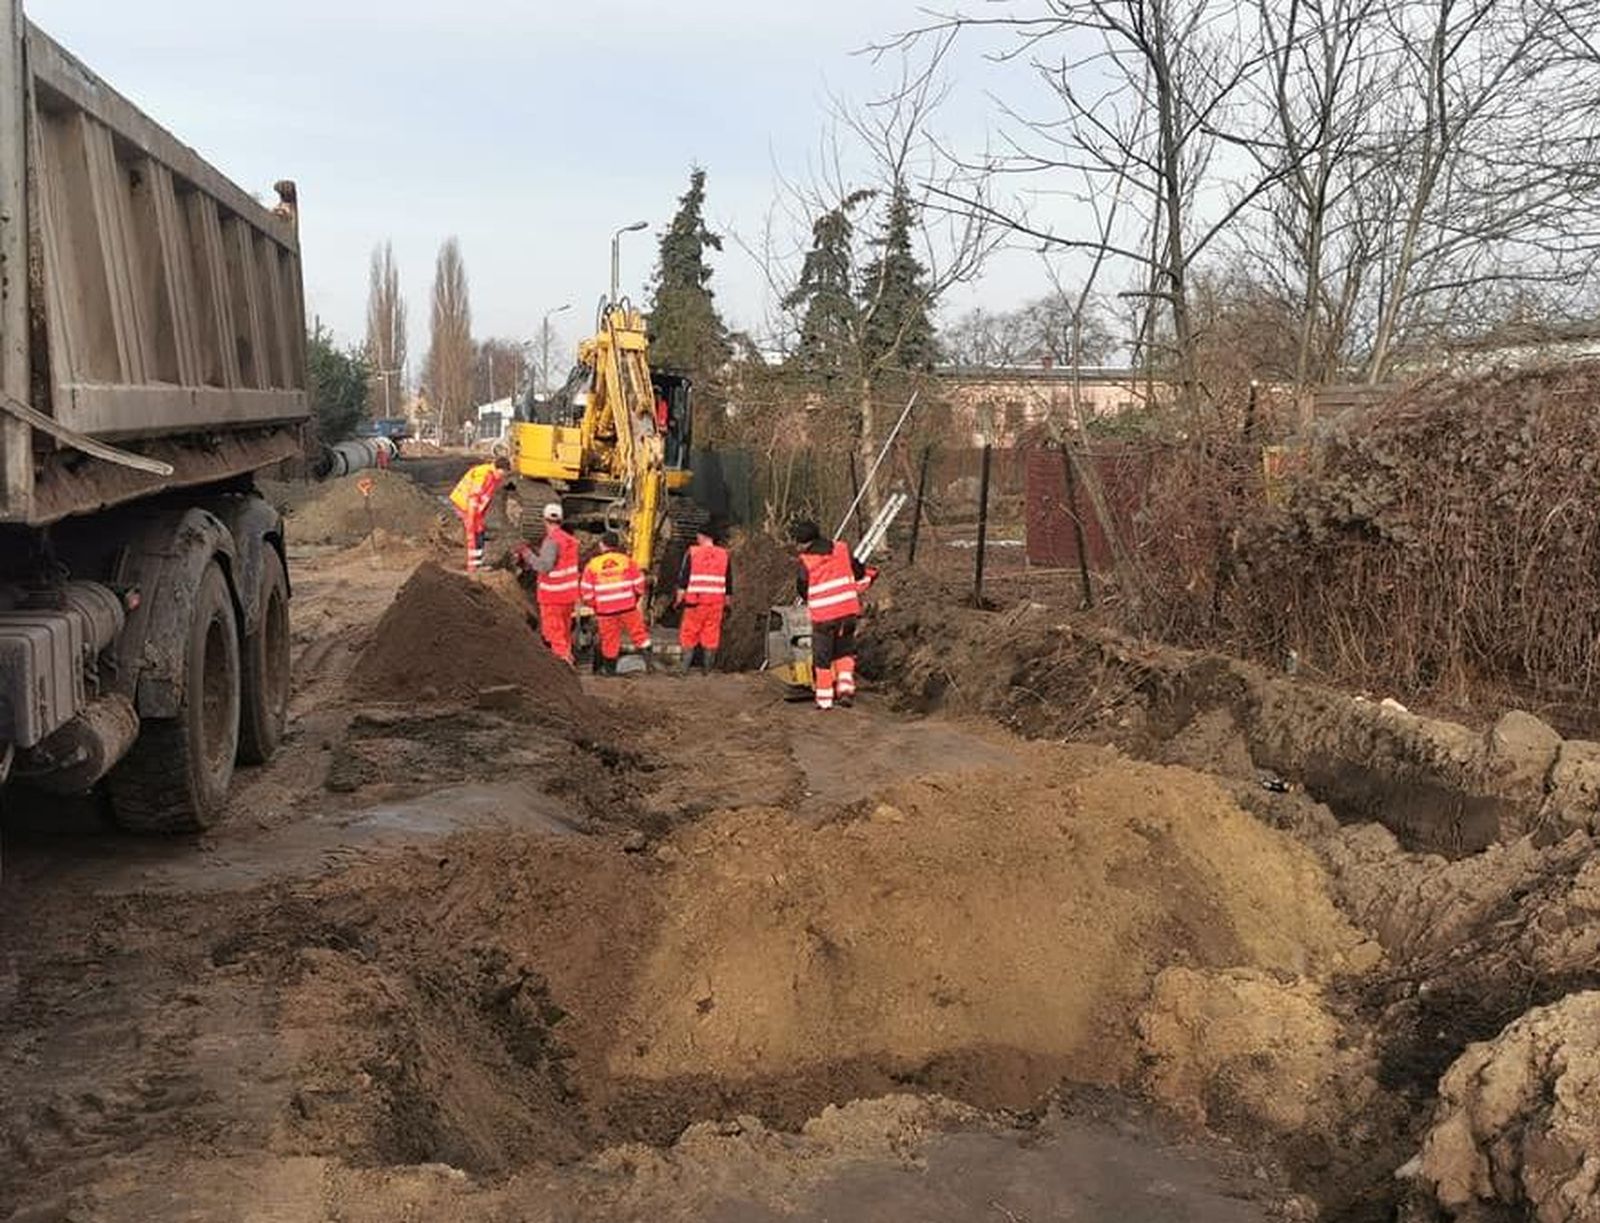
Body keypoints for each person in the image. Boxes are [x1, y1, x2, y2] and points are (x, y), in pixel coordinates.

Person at [791, 520, 870, 710]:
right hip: (848, 612)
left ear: (802, 543)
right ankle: (845, 691)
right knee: (844, 652)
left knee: (823, 659)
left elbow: (802, 588)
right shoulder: (841, 548)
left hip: (824, 617)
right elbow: (858, 569)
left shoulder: (806, 561)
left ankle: (825, 700)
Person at [581, 532, 653, 675]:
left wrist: (595, 605)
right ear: (617, 545)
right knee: (640, 635)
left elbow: (586, 591)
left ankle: (609, 671)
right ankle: (649, 666)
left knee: (609, 640)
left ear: (602, 545)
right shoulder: (627, 561)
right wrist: (634, 598)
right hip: (627, 606)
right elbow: (639, 584)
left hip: (605, 610)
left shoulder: (593, 565)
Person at [674, 522, 732, 675]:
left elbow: (683, 579)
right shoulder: (724, 554)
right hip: (716, 603)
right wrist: (727, 603)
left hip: (695, 602)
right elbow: (728, 581)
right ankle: (707, 670)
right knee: (711, 636)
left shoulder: (693, 552)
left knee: (689, 634)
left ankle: (683, 670)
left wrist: (679, 600)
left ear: (702, 535)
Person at [529, 503, 581, 664]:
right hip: (568, 596)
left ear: (544, 520)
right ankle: (568, 657)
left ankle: (564, 666)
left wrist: (527, 554)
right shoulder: (569, 541)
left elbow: (544, 566)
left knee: (555, 635)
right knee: (564, 632)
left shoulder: (552, 541)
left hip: (552, 597)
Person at [447, 455, 512, 574]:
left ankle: (477, 564)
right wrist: (472, 517)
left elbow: (486, 496)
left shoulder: (494, 476)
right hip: (466, 505)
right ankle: (472, 567)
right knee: (472, 534)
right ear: (499, 469)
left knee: (480, 533)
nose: (504, 476)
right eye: (504, 473)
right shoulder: (484, 474)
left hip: (475, 508)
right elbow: (474, 496)